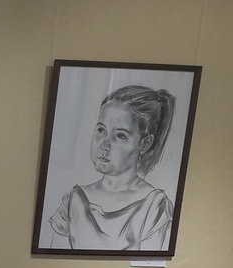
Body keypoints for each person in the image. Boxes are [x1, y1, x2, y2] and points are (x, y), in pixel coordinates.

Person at [47, 85, 175, 250]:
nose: (104, 144)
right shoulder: (74, 199)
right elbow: (54, 256)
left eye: (120, 135)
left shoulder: (154, 206)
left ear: (145, 143)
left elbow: (150, 259)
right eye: (101, 130)